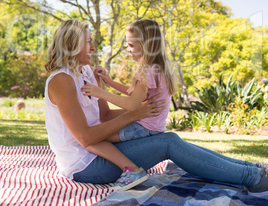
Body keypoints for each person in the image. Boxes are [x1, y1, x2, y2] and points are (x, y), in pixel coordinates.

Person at [45, 19, 268, 195]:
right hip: (85, 165)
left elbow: (104, 115)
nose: (93, 47)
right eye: (88, 42)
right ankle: (253, 178)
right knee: (168, 143)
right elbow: (85, 138)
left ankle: (252, 169)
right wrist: (136, 113)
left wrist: (143, 111)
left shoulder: (86, 72)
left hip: (103, 150)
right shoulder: (61, 80)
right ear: (72, 44)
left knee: (171, 140)